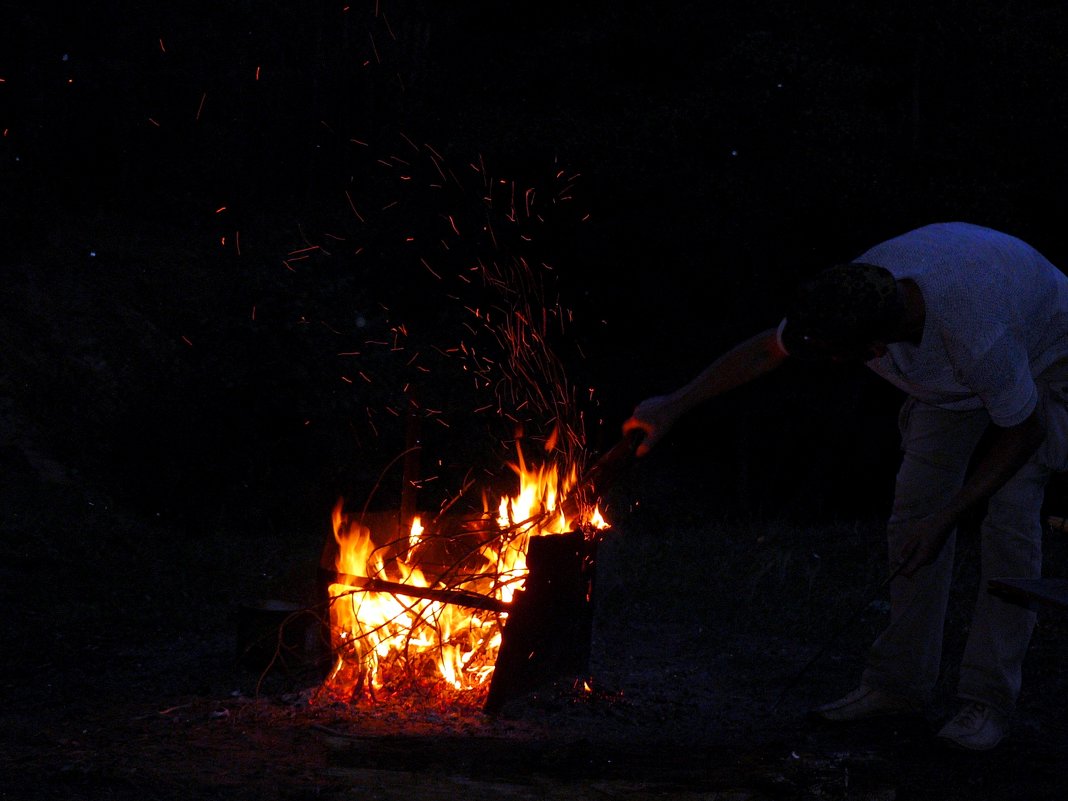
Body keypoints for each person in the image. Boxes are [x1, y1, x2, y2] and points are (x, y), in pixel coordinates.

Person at [622, 221, 1068, 752]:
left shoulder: (976, 330)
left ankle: (987, 701)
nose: (830, 364)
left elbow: (1024, 430)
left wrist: (950, 514)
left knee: (1009, 522)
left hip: (1042, 358)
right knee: (912, 518)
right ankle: (897, 685)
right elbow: (768, 349)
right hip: (950, 384)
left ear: (876, 346)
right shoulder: (853, 296)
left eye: (838, 355)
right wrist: (673, 405)